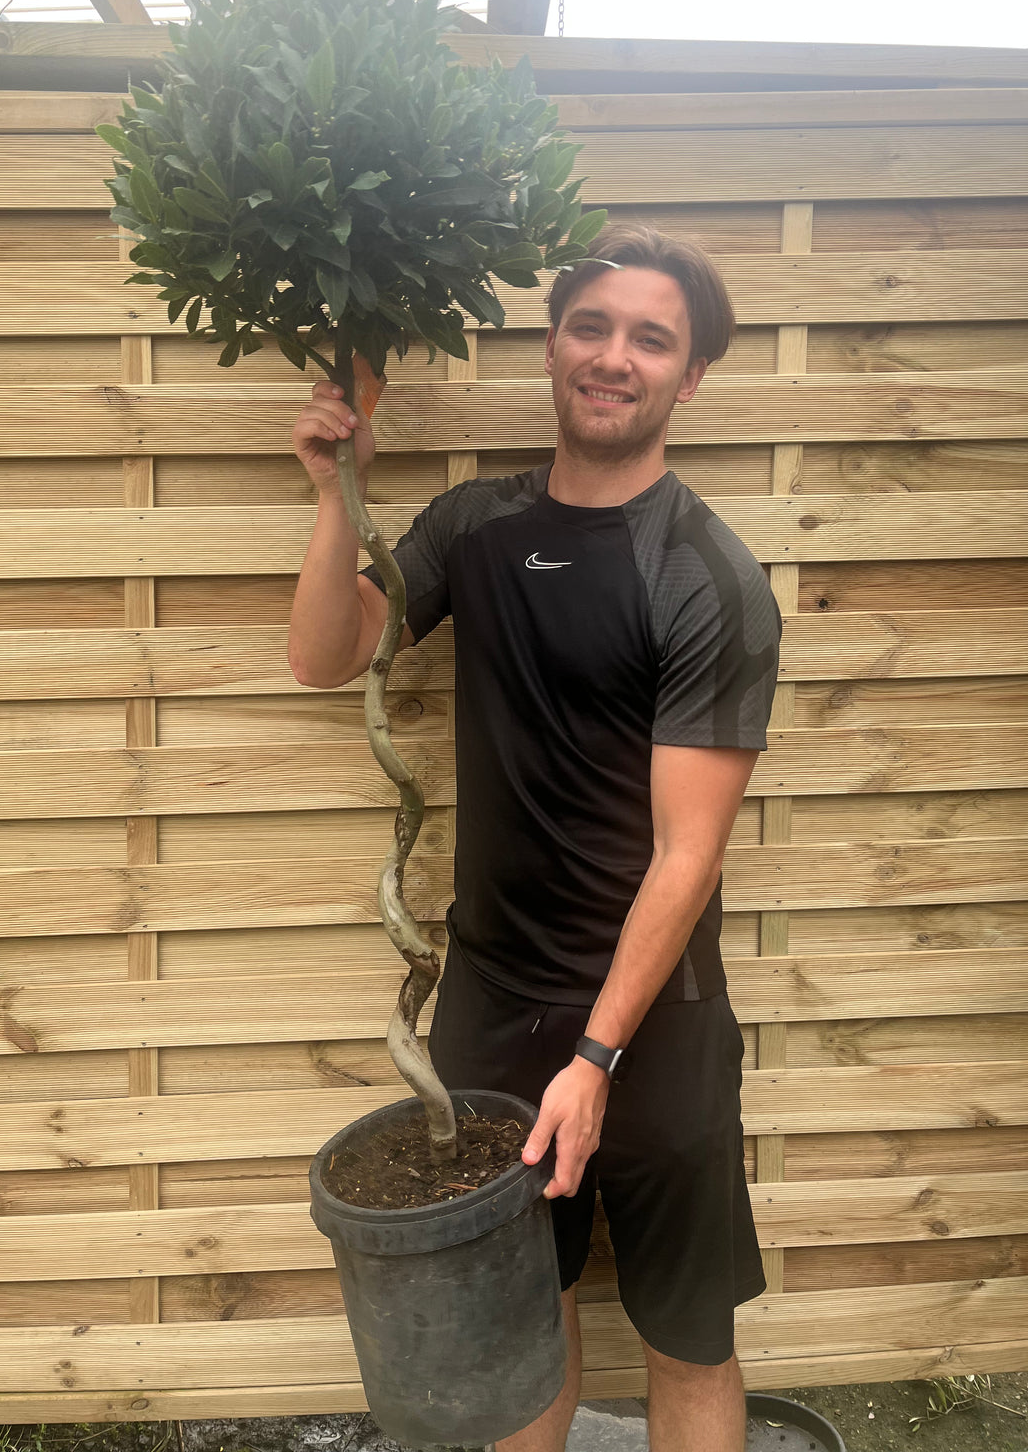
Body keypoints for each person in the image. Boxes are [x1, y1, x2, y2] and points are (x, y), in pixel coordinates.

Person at [288, 225, 782, 1452]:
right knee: (516, 1312)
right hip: (493, 1001)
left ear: (690, 377)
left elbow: (687, 853)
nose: (614, 356)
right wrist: (328, 491)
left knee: (687, 1331)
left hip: (655, 1021)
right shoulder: (473, 528)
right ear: (556, 343)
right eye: (591, 326)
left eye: (650, 338)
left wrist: (600, 1057)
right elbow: (325, 655)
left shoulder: (705, 574)